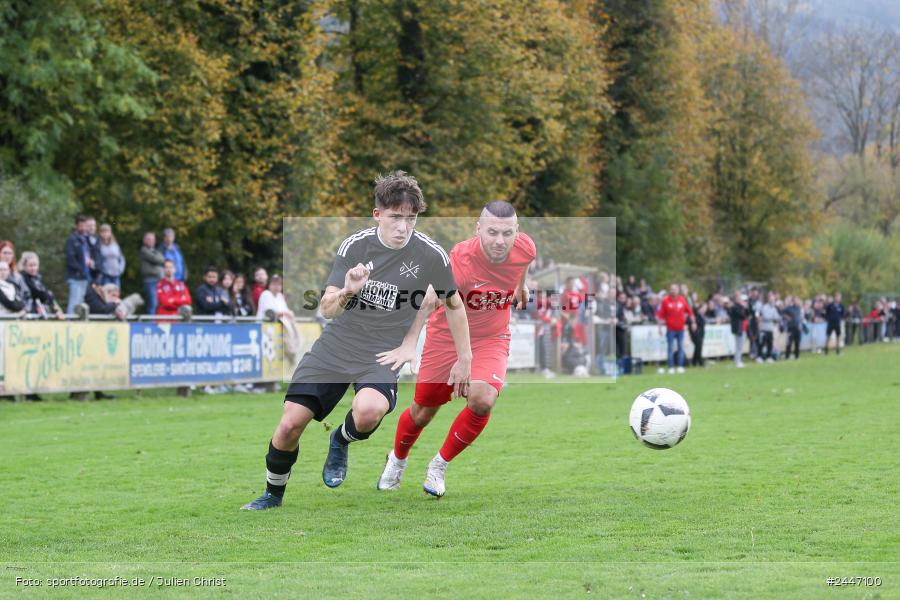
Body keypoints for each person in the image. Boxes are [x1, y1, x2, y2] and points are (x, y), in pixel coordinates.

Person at [241, 170, 472, 511]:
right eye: (395, 218)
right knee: (290, 425)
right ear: (378, 214)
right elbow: (327, 308)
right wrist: (350, 290)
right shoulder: (355, 246)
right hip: (336, 346)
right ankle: (272, 495)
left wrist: (464, 358)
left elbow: (452, 302)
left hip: (380, 352)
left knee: (368, 412)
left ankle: (340, 439)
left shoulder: (431, 256)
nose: (403, 227)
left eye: (411, 219)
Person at [378, 201, 535, 496]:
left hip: (492, 337)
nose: (500, 241)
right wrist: (411, 342)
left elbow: (524, 262)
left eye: (507, 233)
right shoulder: (461, 260)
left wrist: (521, 286)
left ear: (517, 232)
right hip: (446, 338)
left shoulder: (525, 247)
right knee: (424, 411)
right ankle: (397, 460)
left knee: (483, 399)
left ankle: (439, 465)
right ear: (478, 230)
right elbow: (429, 301)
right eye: (492, 233)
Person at [657, 283, 695, 374]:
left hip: (680, 329)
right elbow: (661, 315)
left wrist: (693, 322)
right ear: (670, 290)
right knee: (670, 348)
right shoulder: (665, 301)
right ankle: (671, 367)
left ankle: (680, 366)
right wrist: (660, 328)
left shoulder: (682, 300)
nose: (673, 291)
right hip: (670, 329)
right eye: (671, 289)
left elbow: (690, 312)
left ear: (678, 290)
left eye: (675, 289)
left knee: (681, 347)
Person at [19, 252, 63, 318]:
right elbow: (35, 292)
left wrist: (56, 308)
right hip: (27, 310)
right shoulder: (22, 277)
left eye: (35, 265)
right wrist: (47, 294)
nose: (33, 268)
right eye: (30, 265)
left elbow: (48, 294)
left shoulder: (37, 278)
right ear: (24, 266)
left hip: (40, 309)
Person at [64, 215, 92, 313]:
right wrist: (80, 269)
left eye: (85, 225)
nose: (83, 228)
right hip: (76, 276)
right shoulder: (72, 239)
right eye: (81, 225)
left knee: (81, 302)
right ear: (76, 226)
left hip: (85, 276)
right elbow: (70, 259)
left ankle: (78, 323)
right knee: (74, 301)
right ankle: (70, 323)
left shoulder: (85, 239)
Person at [0, 241, 33, 313]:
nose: (7, 256)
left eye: (10, 253)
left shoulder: (17, 277)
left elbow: (27, 296)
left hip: (16, 315)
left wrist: (25, 310)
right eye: (5, 253)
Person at [140, 232, 166, 315]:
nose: (151, 241)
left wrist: (161, 259)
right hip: (150, 281)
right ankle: (150, 323)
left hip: (159, 280)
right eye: (149, 239)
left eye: (153, 239)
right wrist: (160, 259)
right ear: (144, 240)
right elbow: (158, 259)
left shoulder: (155, 250)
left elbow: (162, 259)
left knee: (161, 302)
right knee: (153, 303)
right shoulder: (144, 250)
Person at [757, 291, 780, 363]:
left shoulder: (774, 308)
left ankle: (769, 357)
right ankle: (759, 357)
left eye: (772, 297)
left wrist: (773, 318)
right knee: (762, 343)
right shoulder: (764, 307)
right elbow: (765, 316)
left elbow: (777, 317)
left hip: (770, 328)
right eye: (770, 297)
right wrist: (772, 318)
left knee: (770, 344)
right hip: (764, 328)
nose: (771, 299)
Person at [727, 292, 749, 368]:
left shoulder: (739, 306)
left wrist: (745, 308)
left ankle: (739, 360)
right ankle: (737, 361)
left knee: (740, 345)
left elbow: (747, 314)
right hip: (738, 328)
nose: (740, 300)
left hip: (743, 328)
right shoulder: (735, 307)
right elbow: (742, 316)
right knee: (738, 345)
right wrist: (743, 307)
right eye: (739, 298)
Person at [783, 295, 804, 360]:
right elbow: (783, 314)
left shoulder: (799, 308)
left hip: (797, 328)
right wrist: (787, 317)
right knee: (789, 342)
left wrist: (800, 325)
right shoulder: (789, 308)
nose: (797, 301)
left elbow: (800, 317)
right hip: (791, 328)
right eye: (795, 300)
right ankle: (787, 356)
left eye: (797, 300)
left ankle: (796, 356)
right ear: (793, 301)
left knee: (797, 342)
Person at [690, 300, 706, 367]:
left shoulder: (701, 315)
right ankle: (700, 362)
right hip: (696, 333)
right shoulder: (694, 314)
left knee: (698, 347)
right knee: (698, 346)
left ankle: (694, 361)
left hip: (701, 333)